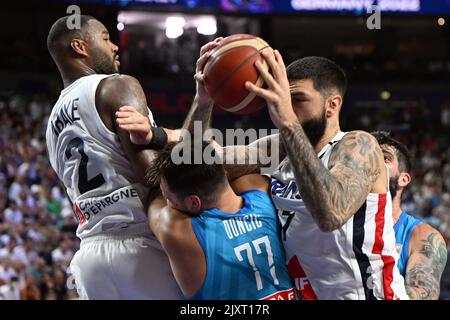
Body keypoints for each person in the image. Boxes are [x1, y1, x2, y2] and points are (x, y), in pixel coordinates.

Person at [44, 14, 219, 299]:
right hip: (140, 246)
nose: (114, 47)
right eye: (105, 38)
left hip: (90, 258)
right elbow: (152, 174)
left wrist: (196, 108)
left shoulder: (51, 123)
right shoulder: (117, 85)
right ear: (79, 46)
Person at [242, 53, 409, 300]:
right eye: (285, 99)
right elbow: (201, 158)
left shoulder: (358, 145)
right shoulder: (278, 150)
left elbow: (331, 214)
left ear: (332, 105)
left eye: (298, 99)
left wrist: (288, 122)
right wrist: (204, 99)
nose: (288, 108)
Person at [146, 140, 295, 300]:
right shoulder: (261, 190)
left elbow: (153, 196)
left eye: (169, 199)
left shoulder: (179, 232)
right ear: (224, 173)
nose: (169, 204)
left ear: (194, 202)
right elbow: (253, 162)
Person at [372, 131, 447, 300]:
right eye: (369, 157)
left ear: (403, 179)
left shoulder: (422, 237)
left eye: (384, 158)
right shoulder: (334, 227)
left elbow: (423, 294)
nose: (373, 162)